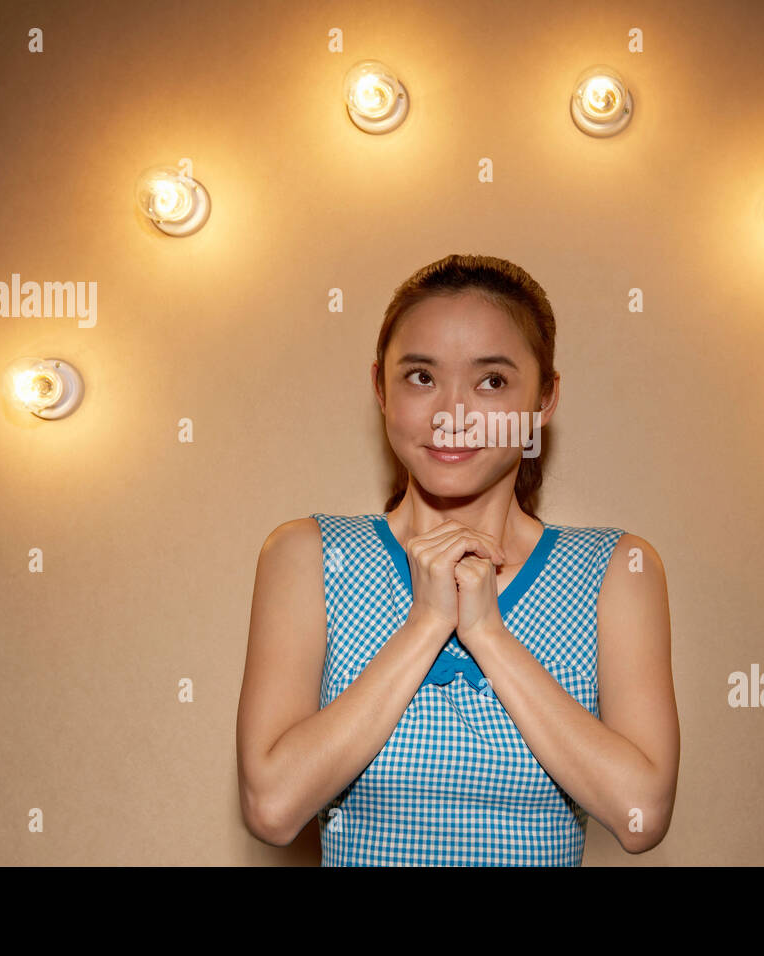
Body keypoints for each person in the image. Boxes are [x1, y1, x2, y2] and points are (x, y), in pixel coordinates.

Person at [236, 253, 679, 865]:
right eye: (421, 377)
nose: (452, 415)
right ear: (379, 389)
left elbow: (642, 815)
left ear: (545, 400)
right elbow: (272, 808)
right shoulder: (308, 555)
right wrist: (425, 623)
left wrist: (487, 634)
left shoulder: (616, 569)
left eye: (491, 381)